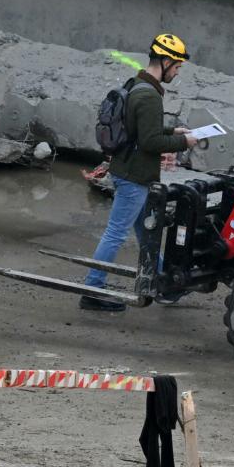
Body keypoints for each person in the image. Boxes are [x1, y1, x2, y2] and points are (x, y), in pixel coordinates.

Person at [80, 34, 199, 312]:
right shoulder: (149, 95)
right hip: (135, 176)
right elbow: (149, 142)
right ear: (166, 60)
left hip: (133, 172)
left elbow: (140, 130)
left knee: (148, 233)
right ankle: (92, 289)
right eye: (178, 66)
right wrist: (184, 142)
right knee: (116, 233)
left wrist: (172, 131)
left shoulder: (138, 84)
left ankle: (164, 282)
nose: (178, 71)